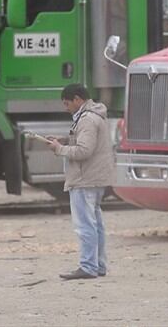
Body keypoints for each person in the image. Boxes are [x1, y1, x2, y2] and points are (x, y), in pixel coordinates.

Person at [47, 83, 116, 280]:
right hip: (95, 178)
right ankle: (98, 265)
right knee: (96, 224)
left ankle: (88, 266)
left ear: (77, 99)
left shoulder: (86, 119)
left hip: (84, 178)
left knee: (85, 225)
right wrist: (64, 140)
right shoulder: (94, 116)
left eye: (67, 103)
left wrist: (59, 149)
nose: (66, 108)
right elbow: (84, 142)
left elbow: (84, 151)